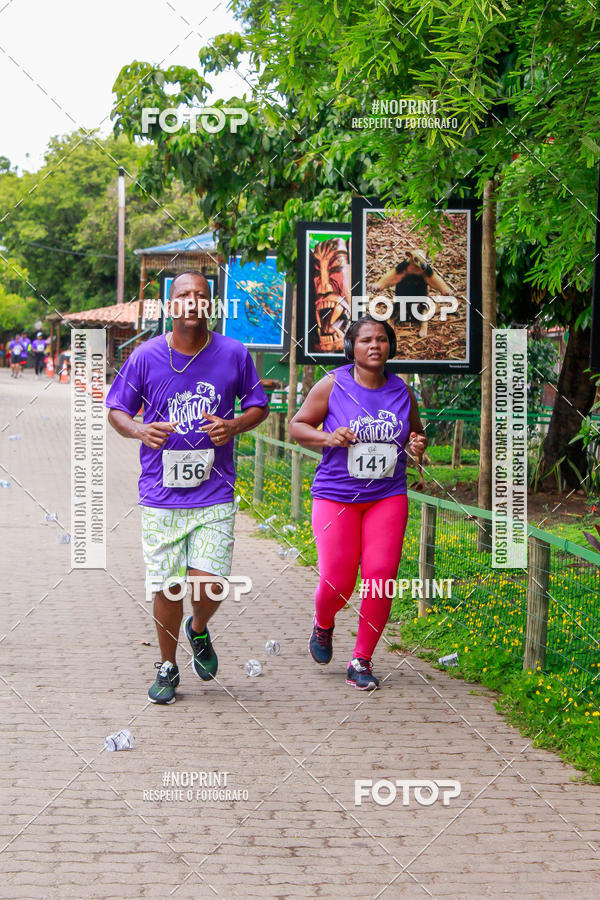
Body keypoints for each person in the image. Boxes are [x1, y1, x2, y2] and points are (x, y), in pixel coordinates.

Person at [106, 271, 269, 704]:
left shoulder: (234, 354)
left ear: (211, 304)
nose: (192, 300)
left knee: (209, 583)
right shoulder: (145, 356)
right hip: (161, 494)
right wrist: (141, 431)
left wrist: (234, 423)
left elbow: (258, 405)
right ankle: (168, 664)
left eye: (201, 294)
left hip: (214, 490)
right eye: (183, 294)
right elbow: (117, 411)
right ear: (170, 304)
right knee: (166, 585)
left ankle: (198, 630)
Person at [289, 316, 427, 690]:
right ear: (352, 347)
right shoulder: (333, 384)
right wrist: (328, 437)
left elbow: (415, 433)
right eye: (366, 340)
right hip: (337, 494)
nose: (375, 346)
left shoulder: (401, 389)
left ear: (390, 347)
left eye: (382, 339)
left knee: (381, 578)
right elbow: (297, 426)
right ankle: (323, 622)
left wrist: (417, 445)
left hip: (387, 495)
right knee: (338, 580)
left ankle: (361, 659)